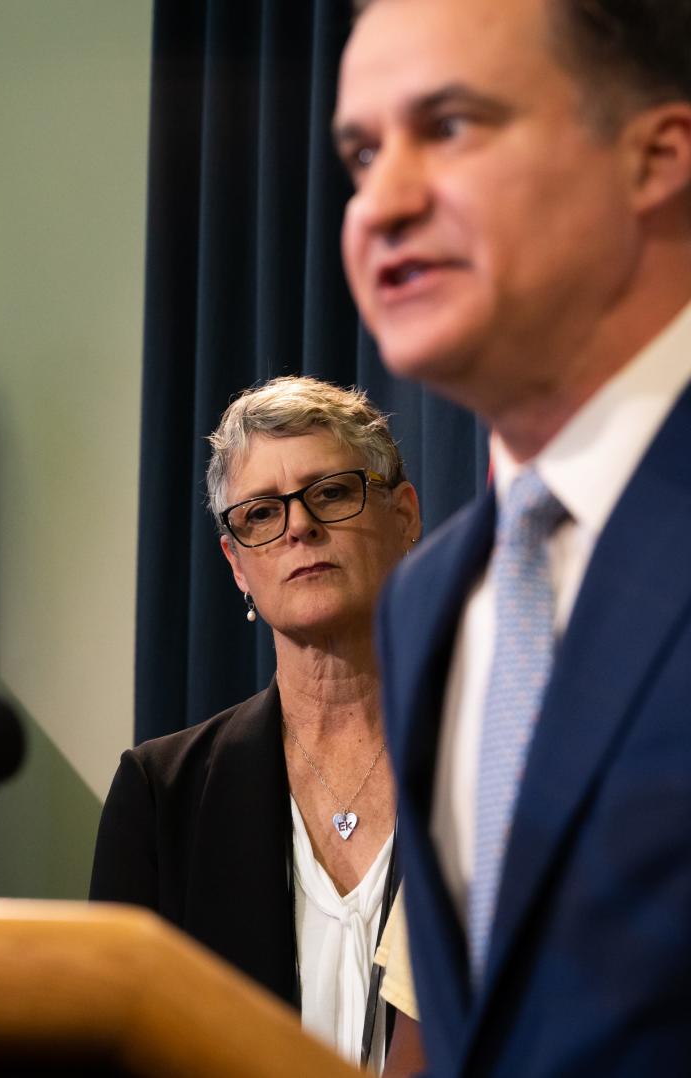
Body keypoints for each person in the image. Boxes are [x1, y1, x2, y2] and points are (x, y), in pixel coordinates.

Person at [334, 0, 691, 1074]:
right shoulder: (429, 595)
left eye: (449, 127)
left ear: (655, 157)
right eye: (361, 152)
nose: (380, 205)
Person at [90, 375, 422, 1070]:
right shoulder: (162, 795)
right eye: (261, 514)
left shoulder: (493, 766)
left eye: (331, 492)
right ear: (237, 565)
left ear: (404, 517)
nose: (299, 526)